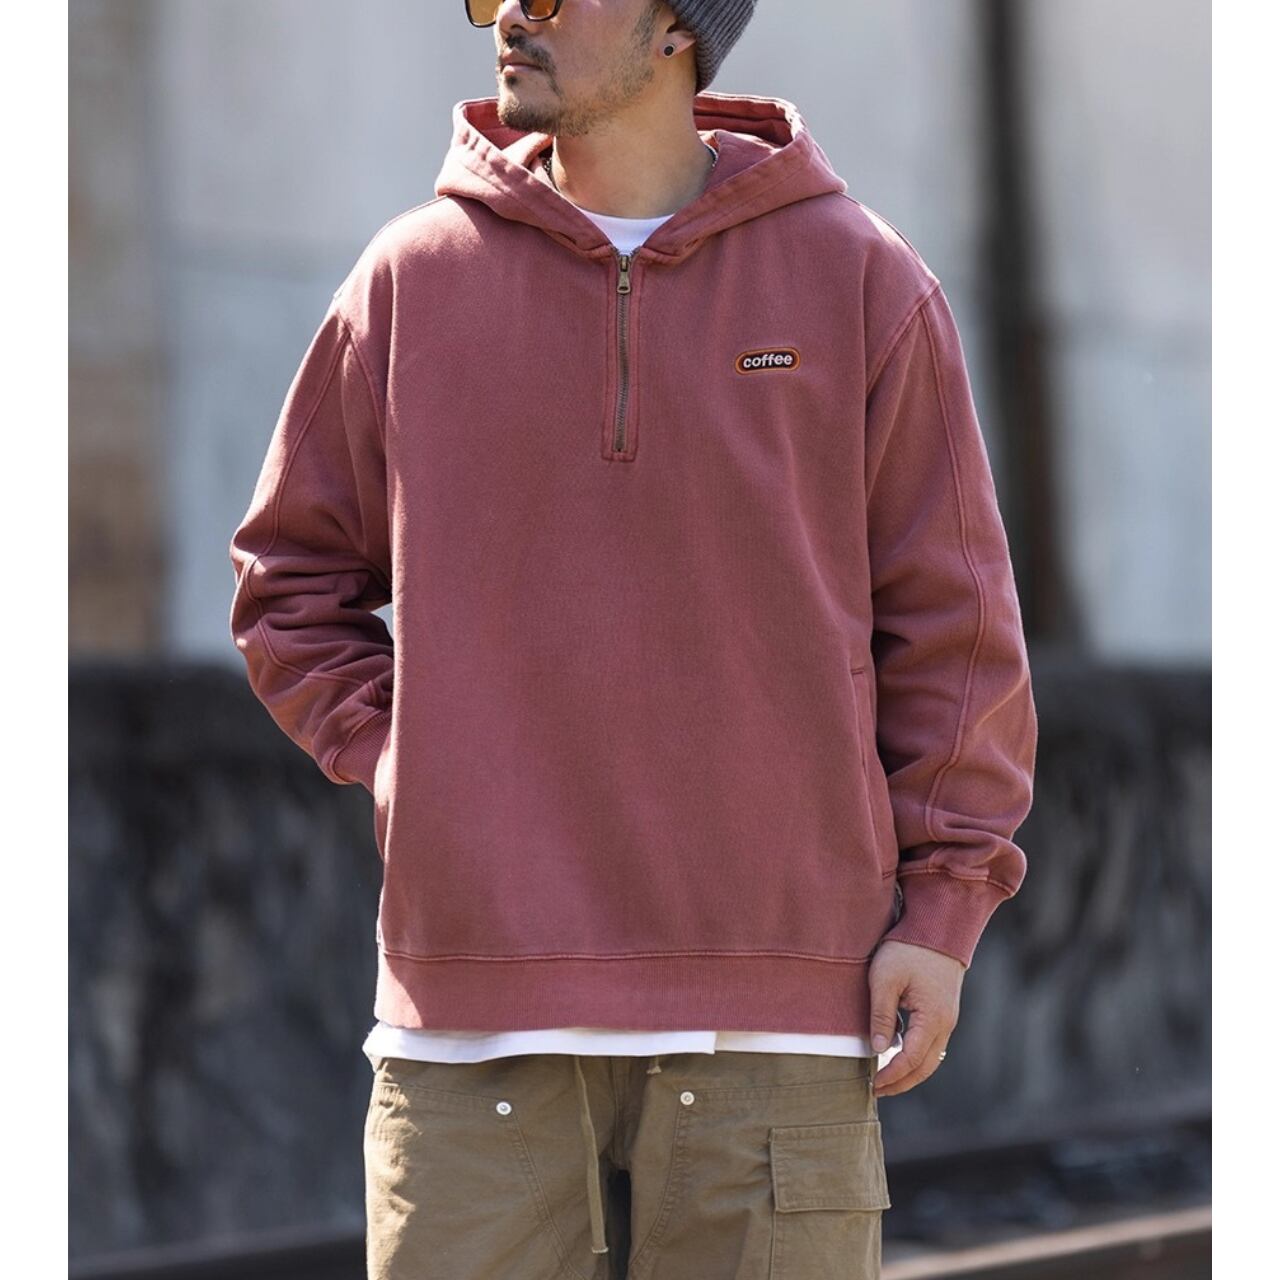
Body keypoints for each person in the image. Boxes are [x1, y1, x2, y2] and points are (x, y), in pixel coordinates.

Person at [227, 2, 1038, 1276]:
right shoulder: (409, 279)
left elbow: (957, 627)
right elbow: (288, 582)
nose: (512, 13)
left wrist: (942, 911)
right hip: (473, 1022)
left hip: (777, 1013)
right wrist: (404, 761)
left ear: (674, 24)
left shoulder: (858, 278)